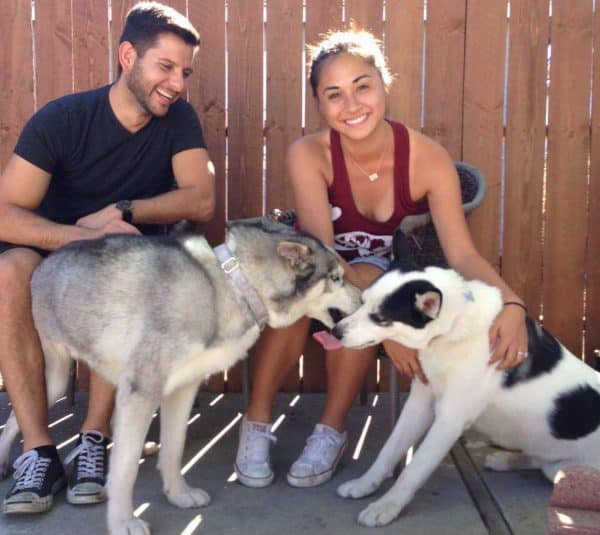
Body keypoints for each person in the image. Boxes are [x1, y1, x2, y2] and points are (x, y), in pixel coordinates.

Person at [234, 28, 528, 489]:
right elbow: (323, 255)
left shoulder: (428, 159)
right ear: (319, 103)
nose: (351, 106)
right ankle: (254, 422)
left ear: (384, 84)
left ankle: (330, 429)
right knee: (296, 306)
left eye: (362, 87)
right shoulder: (308, 154)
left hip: (386, 282)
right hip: (321, 273)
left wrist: (513, 304)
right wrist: (377, 316)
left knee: (370, 286)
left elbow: (462, 253)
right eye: (334, 95)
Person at [0, 1, 214, 514]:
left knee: (123, 271)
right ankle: (38, 449)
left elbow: (200, 199)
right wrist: (76, 236)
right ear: (126, 56)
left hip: (127, 254)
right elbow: (4, 213)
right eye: (165, 67)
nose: (177, 83)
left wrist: (120, 209)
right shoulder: (64, 119)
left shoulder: (179, 119)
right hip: (50, 247)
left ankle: (94, 439)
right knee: (7, 273)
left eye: (184, 72)